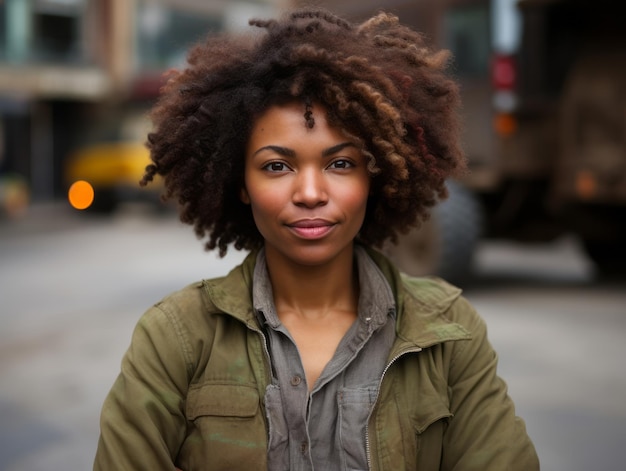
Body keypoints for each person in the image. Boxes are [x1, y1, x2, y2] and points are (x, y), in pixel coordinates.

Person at [94, 7, 539, 471]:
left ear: (376, 175)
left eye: (341, 163)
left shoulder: (450, 334)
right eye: (276, 166)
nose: (310, 193)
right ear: (240, 183)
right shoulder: (175, 339)